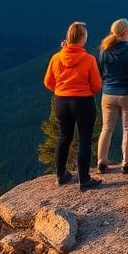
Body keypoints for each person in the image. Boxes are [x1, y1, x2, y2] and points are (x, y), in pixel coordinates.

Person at [43, 21, 103, 191]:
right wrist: (83, 91)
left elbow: (48, 82)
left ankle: (61, 175)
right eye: (86, 35)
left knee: (64, 138)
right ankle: (84, 179)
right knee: (84, 139)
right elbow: (97, 85)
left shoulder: (56, 58)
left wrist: (61, 90)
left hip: (61, 101)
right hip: (83, 102)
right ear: (82, 38)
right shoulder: (89, 59)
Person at [96, 19, 128, 175]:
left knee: (107, 128)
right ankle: (127, 163)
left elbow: (99, 73)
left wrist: (109, 82)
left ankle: (101, 162)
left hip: (108, 94)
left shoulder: (104, 51)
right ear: (126, 32)